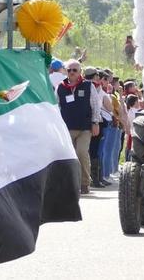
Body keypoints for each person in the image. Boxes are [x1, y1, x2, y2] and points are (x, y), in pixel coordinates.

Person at [56, 60, 94, 194]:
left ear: (80, 72)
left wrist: (95, 122)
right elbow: (57, 106)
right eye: (69, 70)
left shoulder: (88, 86)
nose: (71, 72)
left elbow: (95, 105)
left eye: (74, 70)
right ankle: (71, 183)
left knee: (81, 152)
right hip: (67, 127)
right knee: (69, 156)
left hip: (85, 127)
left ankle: (84, 183)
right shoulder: (60, 87)